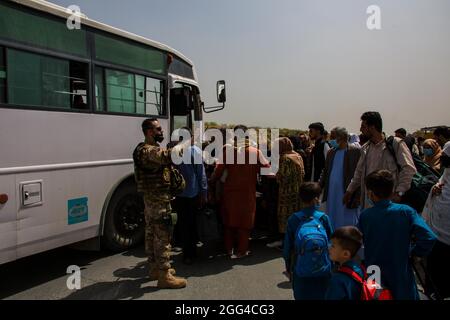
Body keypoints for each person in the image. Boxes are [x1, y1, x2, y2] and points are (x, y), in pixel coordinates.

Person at [358, 170, 436, 300]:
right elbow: (429, 237)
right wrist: (415, 253)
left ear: (370, 193)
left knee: (374, 296)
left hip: (374, 271)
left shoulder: (366, 216)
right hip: (400, 271)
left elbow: (359, 241)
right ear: (392, 190)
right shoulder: (406, 211)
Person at [133, 118, 187, 289]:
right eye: (158, 129)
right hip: (158, 201)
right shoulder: (147, 151)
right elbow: (169, 156)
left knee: (151, 235)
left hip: (152, 200)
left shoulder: (146, 149)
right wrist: (184, 144)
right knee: (163, 236)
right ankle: (164, 275)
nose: (161, 132)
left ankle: (155, 268)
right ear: (149, 132)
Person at [210, 125, 269, 259]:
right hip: (247, 194)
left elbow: (217, 173)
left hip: (229, 194)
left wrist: (210, 183)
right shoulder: (256, 152)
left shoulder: (228, 152)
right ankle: (241, 251)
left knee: (228, 223)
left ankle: (228, 250)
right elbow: (268, 171)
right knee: (245, 224)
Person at [343, 112, 416, 209]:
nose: (360, 130)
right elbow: (358, 173)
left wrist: (399, 193)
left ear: (372, 127)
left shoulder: (395, 144)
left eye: (363, 126)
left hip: (389, 205)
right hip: (368, 204)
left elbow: (408, 169)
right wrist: (349, 191)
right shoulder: (365, 148)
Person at [283, 182, 333, 300]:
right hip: (323, 270)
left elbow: (287, 248)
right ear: (316, 199)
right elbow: (332, 243)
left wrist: (289, 268)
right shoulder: (323, 218)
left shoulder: (293, 219)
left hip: (300, 270)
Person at [172, 127, 207, 265]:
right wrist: (204, 192)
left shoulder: (174, 151)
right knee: (192, 223)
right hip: (193, 193)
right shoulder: (195, 151)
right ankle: (191, 253)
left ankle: (186, 251)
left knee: (183, 222)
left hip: (179, 194)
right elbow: (201, 174)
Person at [423, 142, 450, 299]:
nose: (443, 158)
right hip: (437, 235)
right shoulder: (445, 174)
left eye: (447, 156)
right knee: (434, 277)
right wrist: (434, 190)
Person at [267, 137, 304, 249]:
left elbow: (283, 177)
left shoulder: (284, 158)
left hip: (286, 193)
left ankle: (286, 243)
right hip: (298, 191)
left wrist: (271, 175)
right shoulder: (298, 155)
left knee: (285, 217)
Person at [320, 127, 361, 229]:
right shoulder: (331, 152)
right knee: (332, 215)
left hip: (347, 193)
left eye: (333, 137)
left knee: (346, 218)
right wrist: (319, 186)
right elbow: (325, 172)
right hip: (332, 193)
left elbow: (359, 173)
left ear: (341, 137)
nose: (331, 140)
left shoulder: (355, 152)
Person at [325, 226, 364, 300]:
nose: (329, 248)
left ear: (345, 254)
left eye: (333, 246)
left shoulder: (337, 280)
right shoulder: (360, 270)